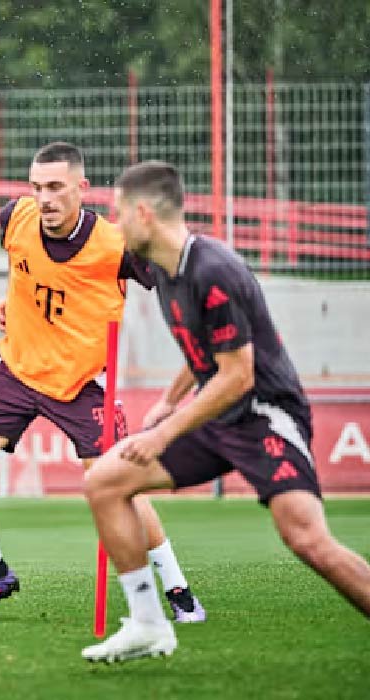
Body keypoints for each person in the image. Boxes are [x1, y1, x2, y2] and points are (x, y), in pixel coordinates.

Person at [80, 160, 370, 662]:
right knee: (105, 482)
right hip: (216, 417)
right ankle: (149, 624)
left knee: (307, 540)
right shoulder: (161, 268)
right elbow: (205, 356)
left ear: (144, 213)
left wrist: (164, 431)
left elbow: (239, 374)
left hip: (263, 416)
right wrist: (170, 399)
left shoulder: (214, 270)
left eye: (118, 214)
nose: (114, 226)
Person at [0, 142, 203, 622]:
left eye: (56, 187)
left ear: (83, 189)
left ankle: (178, 589)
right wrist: (9, 301)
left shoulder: (117, 247)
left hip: (84, 382)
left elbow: (173, 281)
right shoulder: (13, 219)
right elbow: (28, 270)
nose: (45, 198)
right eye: (37, 187)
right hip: (17, 370)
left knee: (118, 485)